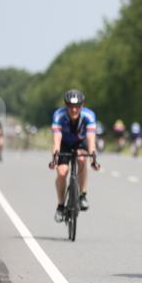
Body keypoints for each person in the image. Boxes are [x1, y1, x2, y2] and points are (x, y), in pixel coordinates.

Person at [49, 89, 100, 221]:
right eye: (71, 107)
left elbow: (90, 138)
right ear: (66, 106)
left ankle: (82, 195)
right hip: (64, 143)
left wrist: (93, 157)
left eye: (77, 107)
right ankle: (60, 206)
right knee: (62, 172)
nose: (74, 110)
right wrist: (54, 157)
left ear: (82, 106)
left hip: (80, 142)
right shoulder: (58, 115)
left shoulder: (89, 115)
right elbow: (56, 139)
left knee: (82, 158)